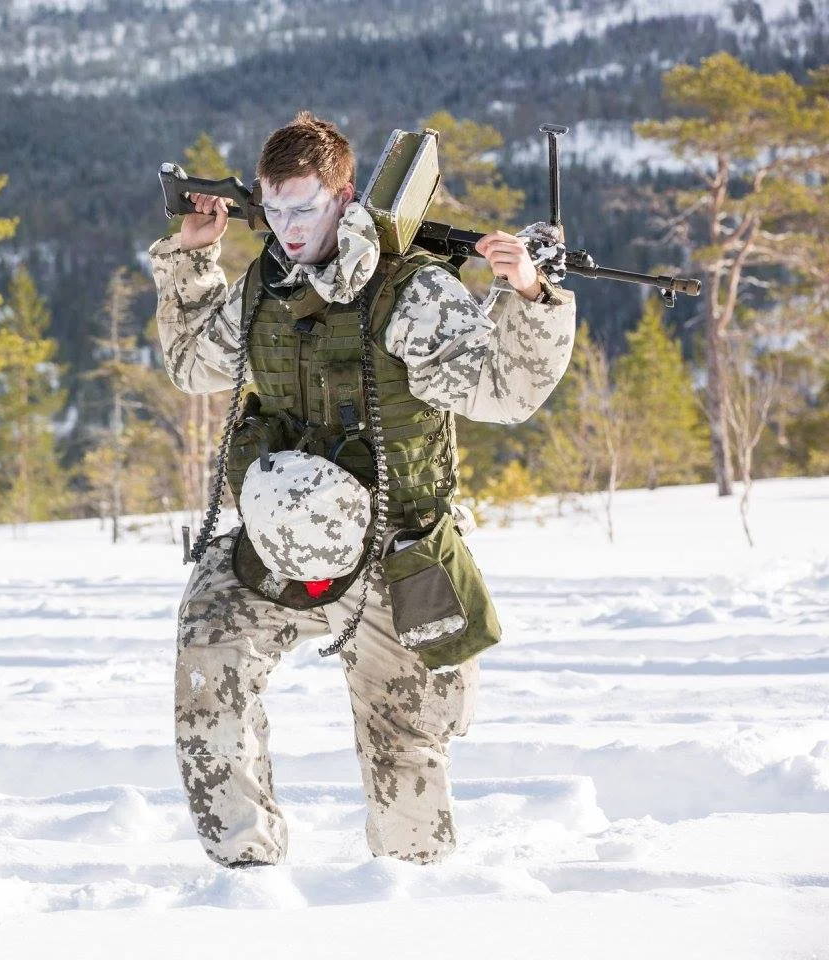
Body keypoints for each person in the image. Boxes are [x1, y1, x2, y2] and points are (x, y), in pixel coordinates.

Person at [147, 111, 577, 867]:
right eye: (273, 211)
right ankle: (245, 884)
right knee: (206, 664)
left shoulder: (408, 294)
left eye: (304, 209)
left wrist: (528, 295)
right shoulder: (263, 290)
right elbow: (192, 368)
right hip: (277, 543)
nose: (285, 228)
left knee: (404, 759)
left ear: (344, 196)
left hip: (394, 548)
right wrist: (195, 257)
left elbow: (503, 392)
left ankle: (409, 916)